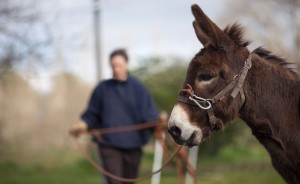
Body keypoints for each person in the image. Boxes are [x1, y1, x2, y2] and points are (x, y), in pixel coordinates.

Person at [70, 49, 158, 184]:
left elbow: (149, 114)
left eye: (119, 65)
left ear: (126, 64)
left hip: (134, 145)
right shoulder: (102, 89)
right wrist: (82, 125)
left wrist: (157, 124)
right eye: (113, 66)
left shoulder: (138, 88)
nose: (116, 69)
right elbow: (92, 114)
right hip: (108, 145)